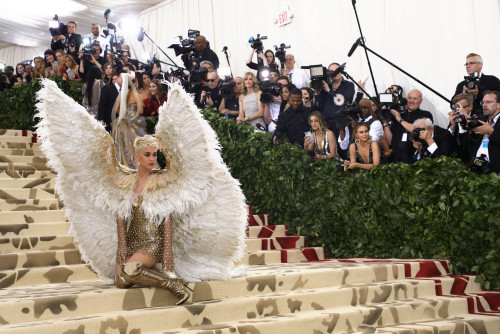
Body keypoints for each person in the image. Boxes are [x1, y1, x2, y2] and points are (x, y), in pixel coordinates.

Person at [36, 79, 247, 306]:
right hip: (132, 244)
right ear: (137, 157)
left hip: (153, 244)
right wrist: (121, 251)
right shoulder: (122, 180)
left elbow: (166, 222)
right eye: (147, 155)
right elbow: (120, 218)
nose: (152, 159)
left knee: (129, 271)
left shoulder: (163, 181)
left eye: (155, 155)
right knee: (120, 279)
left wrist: (167, 259)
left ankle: (173, 285)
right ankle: (147, 273)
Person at [385, 89, 433, 163]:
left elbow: (419, 130)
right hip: (396, 159)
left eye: (415, 99)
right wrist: (385, 123)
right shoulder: (399, 115)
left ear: (421, 101)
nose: (411, 101)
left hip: (414, 160)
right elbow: (390, 140)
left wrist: (400, 120)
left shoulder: (425, 115)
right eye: (409, 98)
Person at [111, 73, 146, 168]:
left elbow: (117, 110)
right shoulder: (138, 96)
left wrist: (125, 115)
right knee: (138, 144)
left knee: (124, 145)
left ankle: (126, 164)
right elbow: (141, 111)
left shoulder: (123, 95)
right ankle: (139, 164)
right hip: (136, 122)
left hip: (123, 122)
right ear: (135, 83)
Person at [466, 91, 500, 173]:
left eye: (488, 102)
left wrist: (491, 131)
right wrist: (470, 130)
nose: (484, 105)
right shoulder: (481, 120)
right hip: (476, 168)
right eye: (483, 102)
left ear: (499, 105)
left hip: (495, 173)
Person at [316, 62, 355, 133]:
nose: (335, 73)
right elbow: (320, 105)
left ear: (341, 71)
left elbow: (344, 101)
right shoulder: (326, 86)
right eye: (332, 72)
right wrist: (317, 92)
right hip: (326, 124)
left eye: (337, 71)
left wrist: (329, 91)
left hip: (341, 125)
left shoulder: (349, 85)